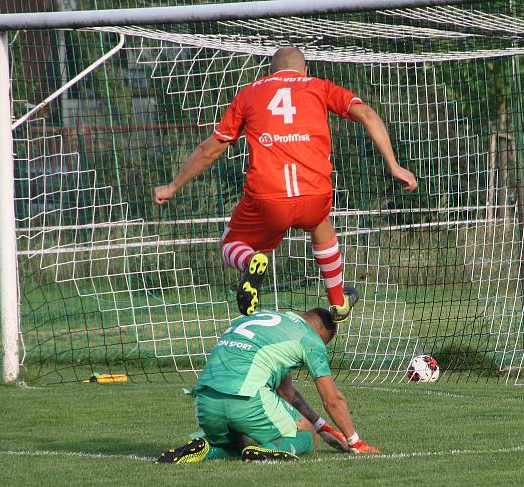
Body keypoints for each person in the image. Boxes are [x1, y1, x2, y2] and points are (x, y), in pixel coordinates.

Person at [154, 46, 418, 320]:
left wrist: (173, 186)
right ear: (304, 70)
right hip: (314, 194)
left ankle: (248, 262)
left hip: (268, 199)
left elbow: (210, 150)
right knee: (320, 222)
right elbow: (367, 115)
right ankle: (338, 301)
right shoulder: (319, 86)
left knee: (230, 242)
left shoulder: (249, 94)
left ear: (270, 71)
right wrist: (393, 165)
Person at [155, 308, 380, 463]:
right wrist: (354, 442)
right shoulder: (310, 339)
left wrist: (324, 426)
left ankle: (206, 447)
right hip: (246, 399)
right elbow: (333, 399)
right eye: (325, 343)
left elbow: (285, 392)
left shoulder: (268, 320)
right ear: (321, 333)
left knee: (237, 440)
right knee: (307, 436)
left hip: (205, 402)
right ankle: (270, 453)